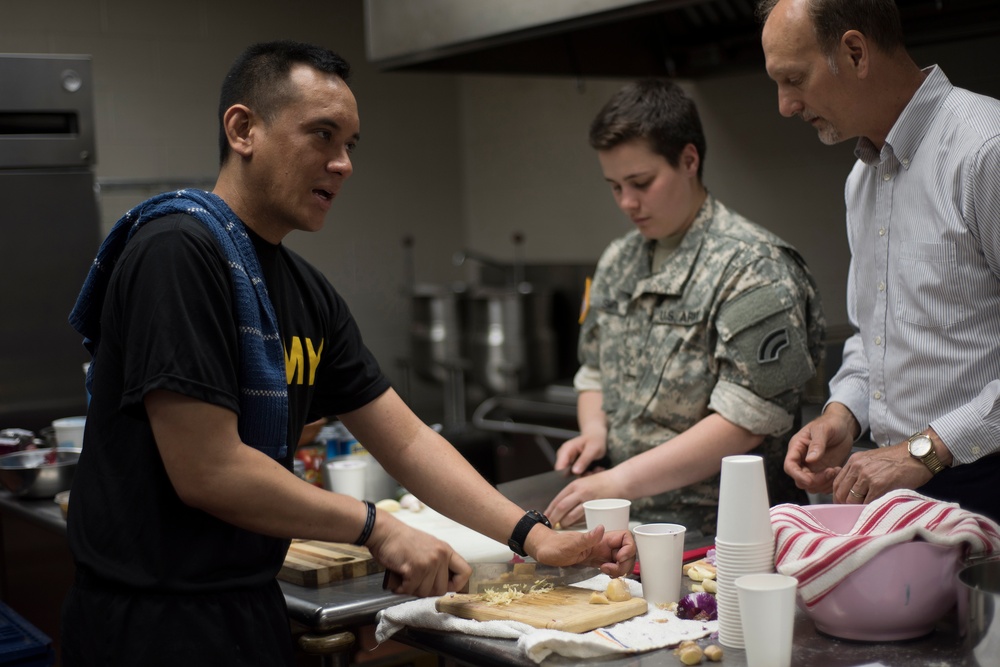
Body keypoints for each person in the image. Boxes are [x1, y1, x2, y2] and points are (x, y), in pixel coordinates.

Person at [60, 41, 635, 666]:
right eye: (322, 135)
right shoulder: (176, 253)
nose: (342, 164)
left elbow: (408, 441)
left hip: (246, 611)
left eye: (350, 145)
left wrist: (535, 538)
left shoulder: (307, 293)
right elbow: (209, 469)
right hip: (150, 625)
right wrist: (378, 526)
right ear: (243, 128)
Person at [544, 79, 825, 535]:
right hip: (625, 526)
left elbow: (746, 420)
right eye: (614, 186)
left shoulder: (753, 266)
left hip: (727, 534)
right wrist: (595, 430)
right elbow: (594, 371)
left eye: (641, 183)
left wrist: (619, 481)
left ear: (689, 160)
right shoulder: (619, 260)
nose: (627, 203)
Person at [758, 0, 1000, 522]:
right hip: (898, 488)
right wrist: (843, 416)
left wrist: (923, 451)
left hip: (988, 485)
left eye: (794, 79)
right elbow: (873, 342)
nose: (785, 105)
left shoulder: (987, 149)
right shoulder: (862, 179)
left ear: (854, 52)